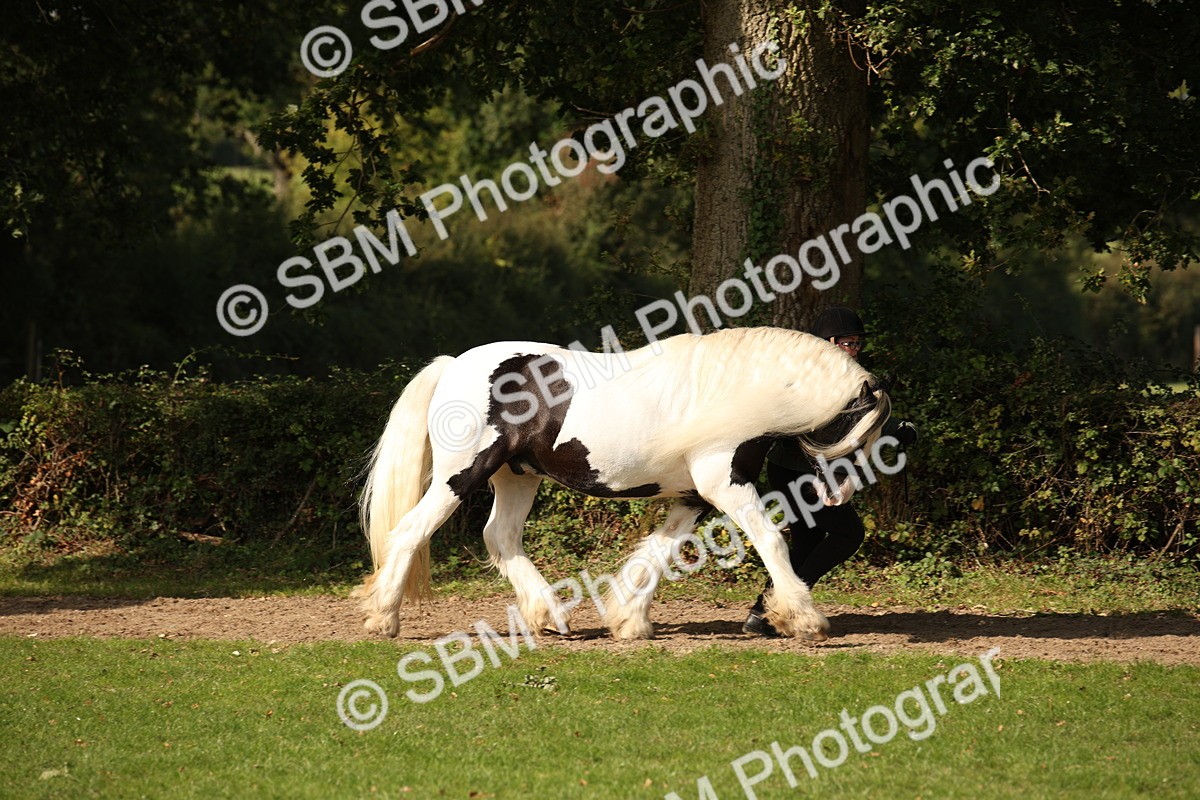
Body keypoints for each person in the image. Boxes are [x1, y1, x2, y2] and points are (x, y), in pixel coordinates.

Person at [743, 306, 918, 637]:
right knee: (848, 534)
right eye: (848, 343)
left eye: (857, 344)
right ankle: (789, 603)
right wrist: (893, 429)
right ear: (830, 343)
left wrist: (897, 427)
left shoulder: (843, 377)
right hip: (799, 474)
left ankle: (762, 614)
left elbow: (860, 419)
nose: (855, 350)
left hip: (794, 473)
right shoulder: (817, 380)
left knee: (808, 541)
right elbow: (841, 423)